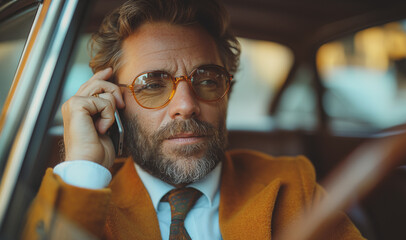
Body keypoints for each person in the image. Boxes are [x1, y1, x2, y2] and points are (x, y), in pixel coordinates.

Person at [23, 0, 365, 239]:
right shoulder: (84, 197)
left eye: (207, 80)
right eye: (153, 84)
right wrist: (83, 168)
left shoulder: (291, 186)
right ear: (114, 101)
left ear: (227, 91)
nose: (186, 105)